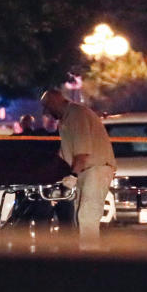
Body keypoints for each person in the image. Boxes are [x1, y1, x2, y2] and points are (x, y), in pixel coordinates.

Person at [40, 89, 116, 239]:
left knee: (87, 217)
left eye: (47, 106)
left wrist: (71, 177)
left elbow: (82, 154)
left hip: (95, 170)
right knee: (81, 218)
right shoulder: (66, 119)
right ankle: (85, 255)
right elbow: (66, 152)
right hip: (87, 171)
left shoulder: (76, 115)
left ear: (56, 100)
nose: (47, 111)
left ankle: (89, 258)